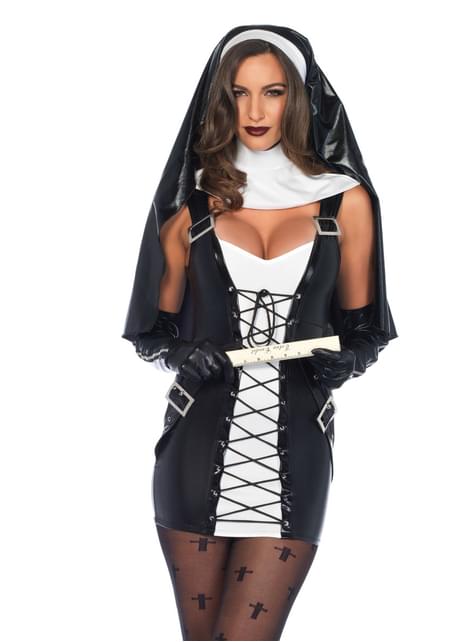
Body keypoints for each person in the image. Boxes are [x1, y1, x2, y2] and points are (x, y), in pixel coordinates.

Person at [122, 24, 398, 641]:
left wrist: (350, 361)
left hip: (299, 449)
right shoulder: (190, 203)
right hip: (194, 447)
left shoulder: (345, 201)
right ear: (218, 99)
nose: (254, 111)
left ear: (299, 98)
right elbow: (151, 331)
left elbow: (366, 329)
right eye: (238, 93)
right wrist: (181, 353)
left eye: (273, 92)